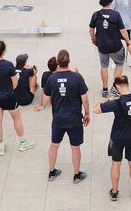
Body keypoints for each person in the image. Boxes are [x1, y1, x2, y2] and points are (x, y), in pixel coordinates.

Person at [36, 49, 90, 184]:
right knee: (75, 147)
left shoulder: (51, 78)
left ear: (58, 62)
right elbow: (85, 99)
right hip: (74, 119)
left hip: (58, 119)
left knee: (54, 145)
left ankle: (52, 172)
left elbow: (46, 98)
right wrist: (87, 113)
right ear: (69, 61)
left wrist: (42, 105)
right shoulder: (77, 77)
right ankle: (76, 175)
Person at [95, 74, 131, 201]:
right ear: (127, 84)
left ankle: (114, 192)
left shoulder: (116, 103)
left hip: (117, 138)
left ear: (117, 86)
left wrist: (106, 101)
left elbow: (96, 110)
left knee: (116, 164)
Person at [0, 40, 36, 155]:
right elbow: (15, 83)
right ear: (3, 52)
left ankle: (1, 146)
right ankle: (23, 143)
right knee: (17, 118)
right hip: (8, 96)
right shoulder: (8, 65)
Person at [90, 0, 131, 98]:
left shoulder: (96, 15)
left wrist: (93, 39)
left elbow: (91, 29)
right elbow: (123, 31)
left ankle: (105, 89)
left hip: (102, 47)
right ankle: (115, 88)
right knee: (119, 64)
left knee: (104, 66)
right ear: (110, 2)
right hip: (116, 46)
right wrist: (128, 41)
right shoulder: (116, 15)